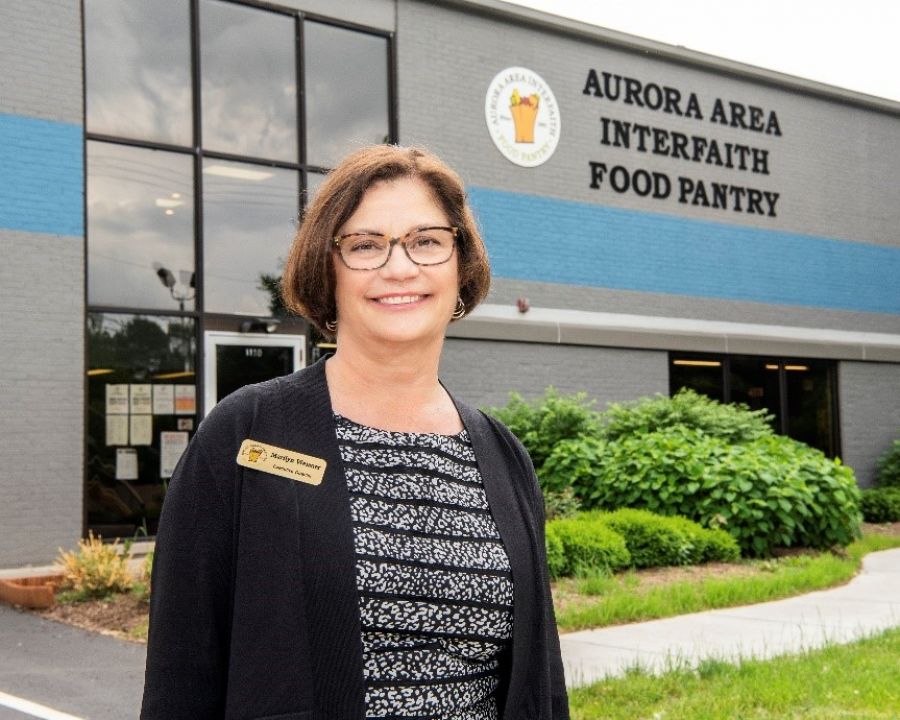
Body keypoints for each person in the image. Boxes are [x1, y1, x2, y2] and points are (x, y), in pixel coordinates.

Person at [140, 145, 569, 719]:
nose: (400, 267)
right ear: (327, 268)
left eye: (427, 241)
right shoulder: (246, 435)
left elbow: (539, 686)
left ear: (460, 266)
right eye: (367, 245)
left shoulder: (501, 455)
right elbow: (181, 674)